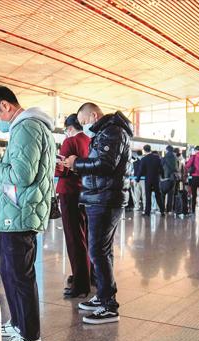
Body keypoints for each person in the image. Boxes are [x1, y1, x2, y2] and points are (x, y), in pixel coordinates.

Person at [0, 85, 54, 341]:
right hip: (20, 211)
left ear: (5, 106)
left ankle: (30, 336)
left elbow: (21, 175)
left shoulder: (26, 128)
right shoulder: (29, 127)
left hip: (21, 212)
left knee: (20, 275)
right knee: (11, 272)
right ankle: (19, 323)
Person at [64, 103, 132, 325]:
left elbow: (105, 164)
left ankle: (108, 305)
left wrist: (78, 162)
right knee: (102, 250)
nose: (84, 127)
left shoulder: (113, 131)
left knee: (97, 250)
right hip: (100, 196)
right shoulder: (106, 131)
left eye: (84, 122)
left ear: (93, 115)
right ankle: (103, 296)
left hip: (105, 198)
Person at [55, 114, 91, 298]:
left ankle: (80, 283)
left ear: (69, 128)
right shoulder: (89, 140)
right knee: (85, 235)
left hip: (69, 192)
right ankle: (88, 275)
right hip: (86, 192)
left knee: (74, 238)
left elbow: (62, 169)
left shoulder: (70, 142)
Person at [137, 145, 164, 216]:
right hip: (156, 179)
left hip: (148, 179)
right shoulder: (157, 158)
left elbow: (140, 170)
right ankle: (162, 211)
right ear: (150, 149)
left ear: (144, 150)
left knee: (148, 196)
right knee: (158, 195)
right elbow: (161, 169)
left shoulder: (144, 159)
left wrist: (137, 179)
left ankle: (147, 212)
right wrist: (163, 176)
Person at [185, 146, 199, 216]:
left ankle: (193, 211)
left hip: (194, 177)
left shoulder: (194, 156)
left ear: (195, 150)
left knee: (194, 195)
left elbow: (187, 166)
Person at [161, 145, 178, 213]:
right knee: (170, 195)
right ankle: (169, 210)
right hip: (172, 178)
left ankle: (162, 209)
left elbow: (160, 167)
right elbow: (176, 169)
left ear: (167, 150)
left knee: (162, 194)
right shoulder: (175, 158)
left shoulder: (164, 158)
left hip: (165, 178)